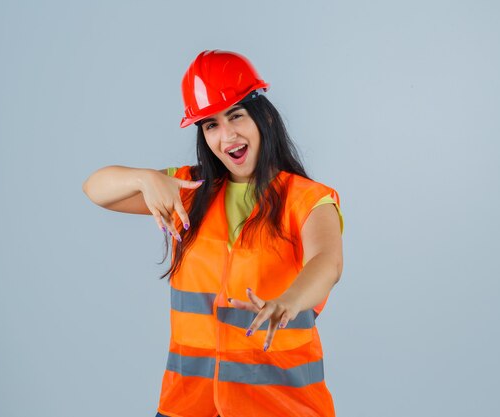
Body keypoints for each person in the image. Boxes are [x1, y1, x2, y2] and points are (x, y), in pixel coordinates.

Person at [83, 50, 344, 417]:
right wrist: (145, 178)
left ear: (264, 116)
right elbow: (96, 189)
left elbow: (327, 262)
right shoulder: (188, 191)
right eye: (211, 125)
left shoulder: (307, 199)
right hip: (187, 405)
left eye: (236, 116)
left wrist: (288, 301)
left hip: (281, 408)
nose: (228, 136)